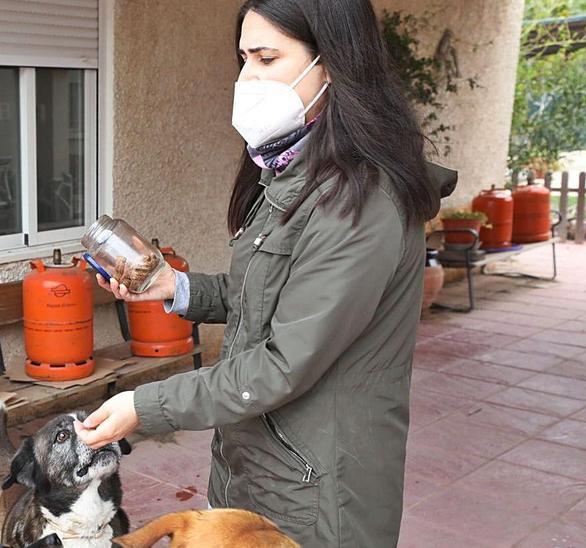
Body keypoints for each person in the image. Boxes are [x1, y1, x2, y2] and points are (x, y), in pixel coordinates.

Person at [74, 0, 458, 546]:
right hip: (253, 466)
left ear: (333, 65)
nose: (247, 78)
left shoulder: (362, 200)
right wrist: (176, 287)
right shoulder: (290, 173)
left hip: (318, 489)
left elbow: (284, 363)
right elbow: (274, 298)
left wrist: (144, 405)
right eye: (243, 59)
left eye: (267, 58)